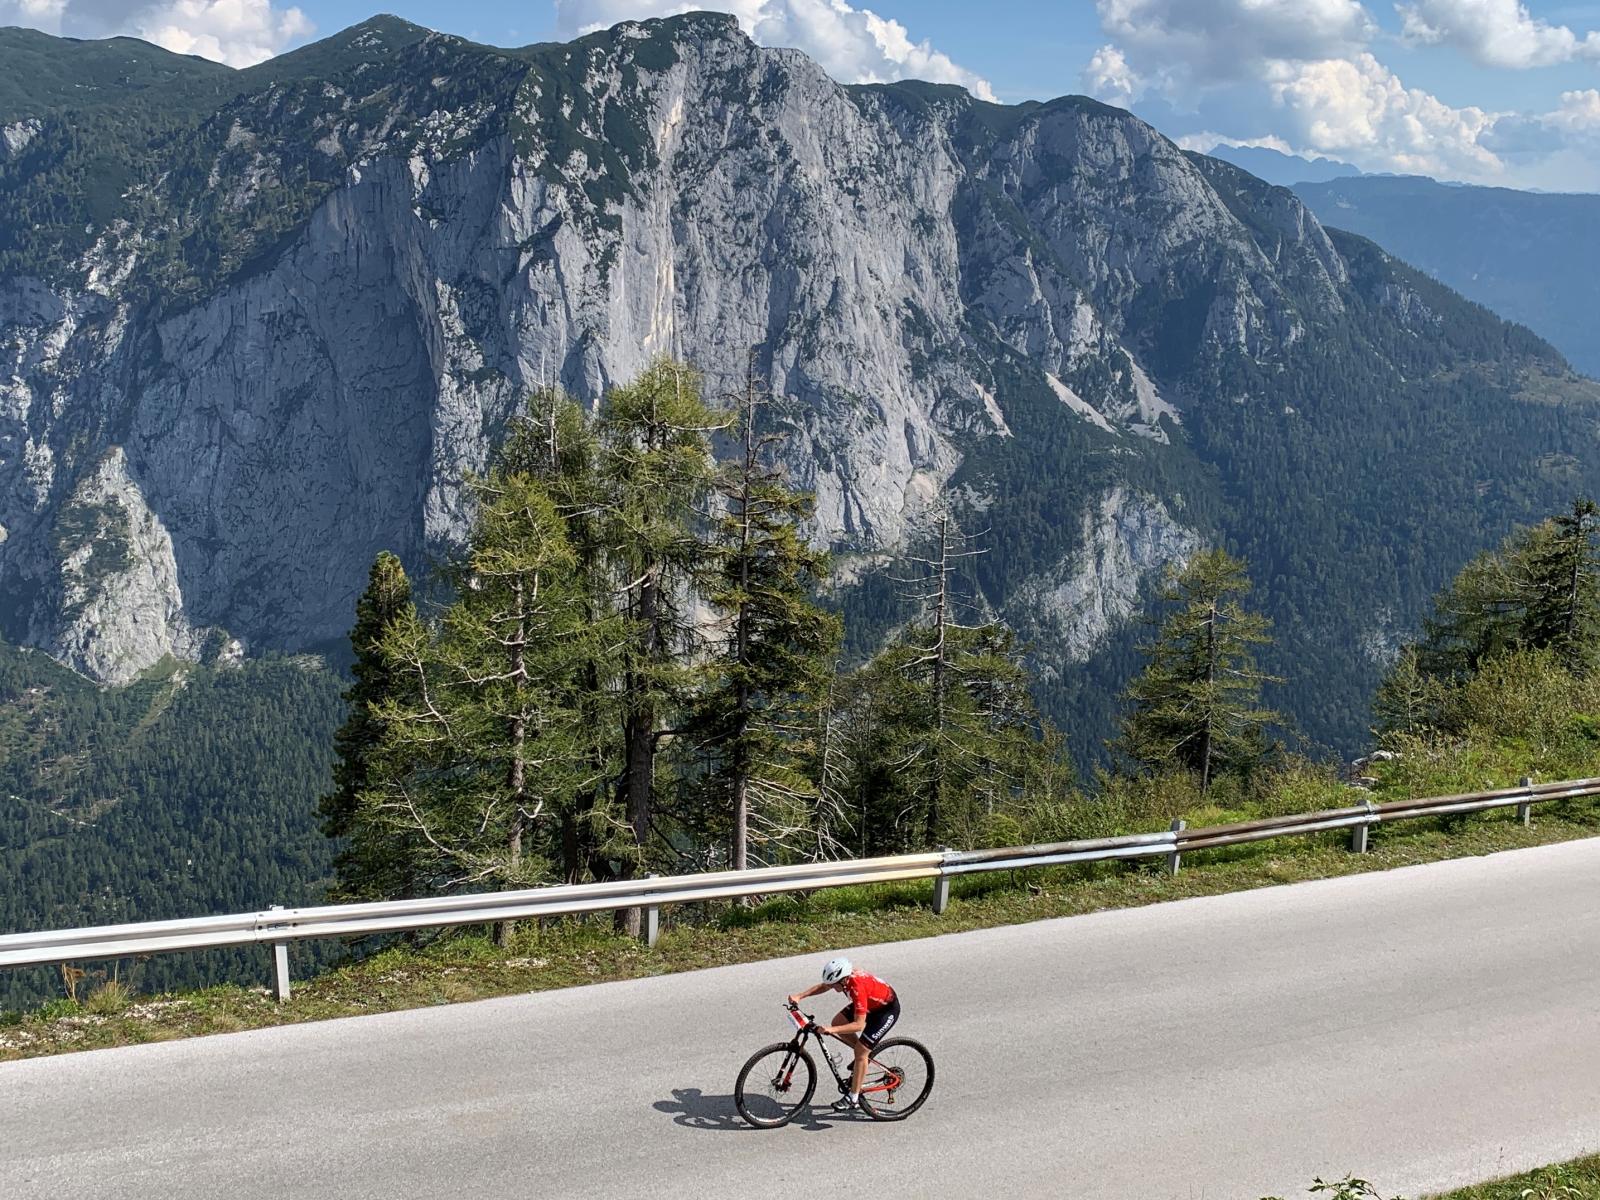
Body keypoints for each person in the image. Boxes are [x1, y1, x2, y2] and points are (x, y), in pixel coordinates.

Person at [787, 956, 900, 1112]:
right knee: (838, 1022)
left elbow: (858, 1025)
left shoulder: (856, 988)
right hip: (870, 1003)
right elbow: (825, 986)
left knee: (860, 1050)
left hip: (885, 1011)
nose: (833, 988)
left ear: (844, 980)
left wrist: (831, 1030)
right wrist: (800, 996)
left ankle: (853, 1098)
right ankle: (864, 1057)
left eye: (835, 985)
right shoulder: (844, 979)